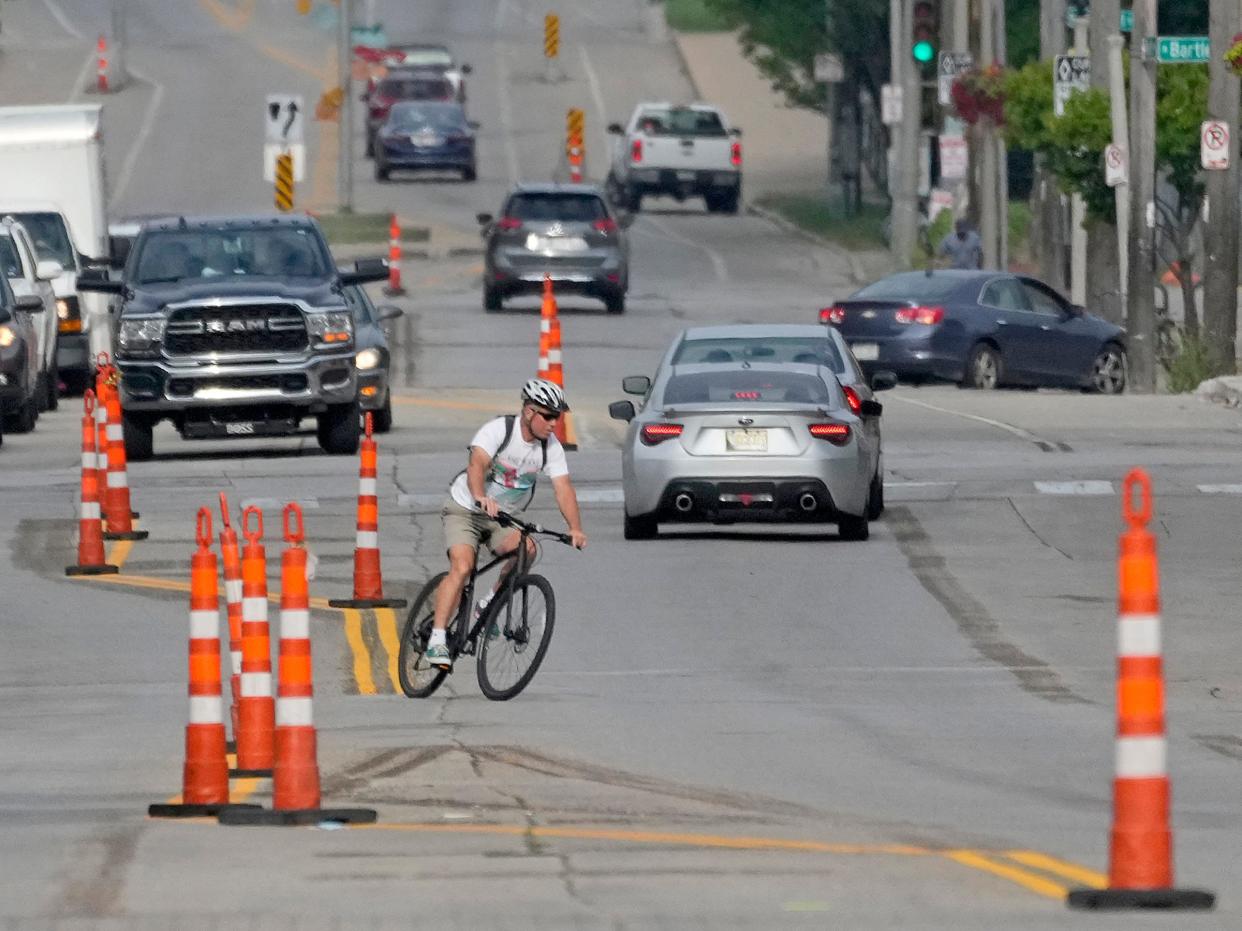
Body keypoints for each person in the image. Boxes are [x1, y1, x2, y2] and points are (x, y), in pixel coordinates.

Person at [426, 378, 588, 670]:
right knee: (463, 567)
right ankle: (437, 639)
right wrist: (479, 497)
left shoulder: (550, 448)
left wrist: (575, 528)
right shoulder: (499, 430)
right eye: (549, 416)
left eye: (558, 417)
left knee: (528, 549)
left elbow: (563, 488)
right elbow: (477, 464)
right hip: (466, 509)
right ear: (529, 412)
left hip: (502, 517)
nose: (554, 424)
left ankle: (487, 605)